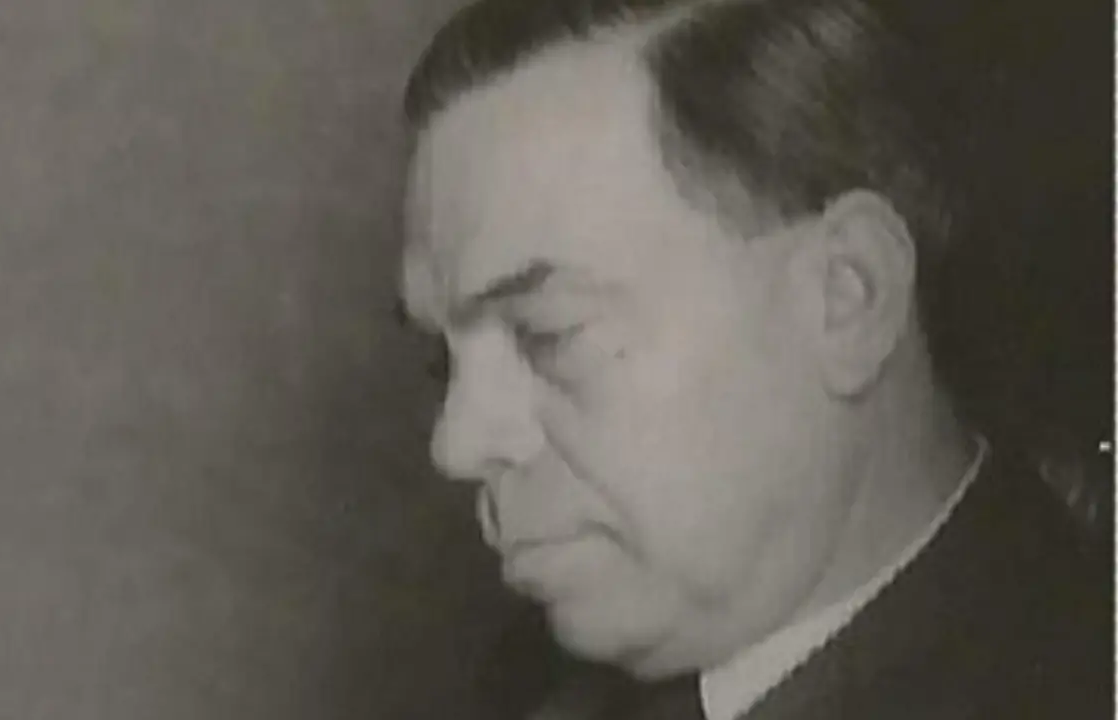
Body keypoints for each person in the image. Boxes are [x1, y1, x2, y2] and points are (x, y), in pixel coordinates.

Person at [394, 0, 1112, 717]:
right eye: (441, 361)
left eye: (546, 332)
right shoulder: (537, 683)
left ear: (847, 298)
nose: (456, 445)